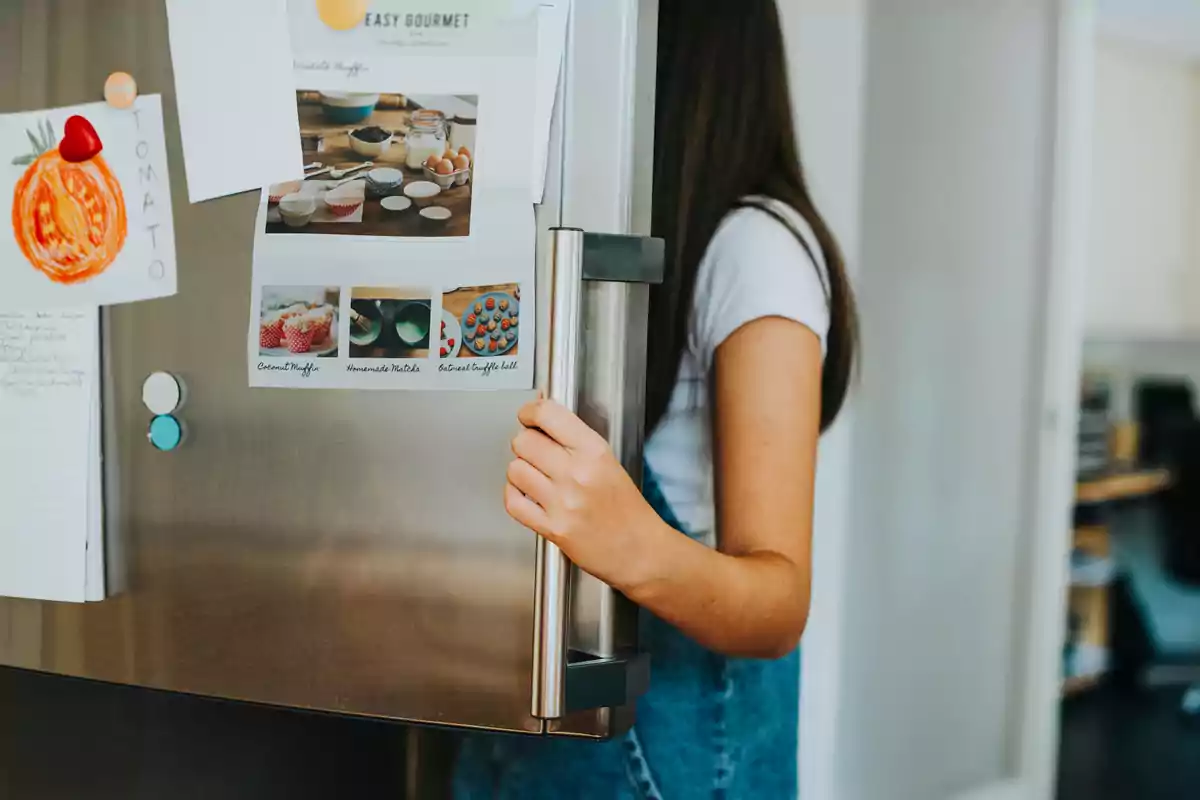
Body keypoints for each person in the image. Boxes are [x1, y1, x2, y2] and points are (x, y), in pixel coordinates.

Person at [454, 0, 858, 796]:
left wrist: (628, 539)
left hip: (666, 768)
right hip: (522, 746)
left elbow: (777, 604)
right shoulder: (594, 236)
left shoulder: (756, 248)